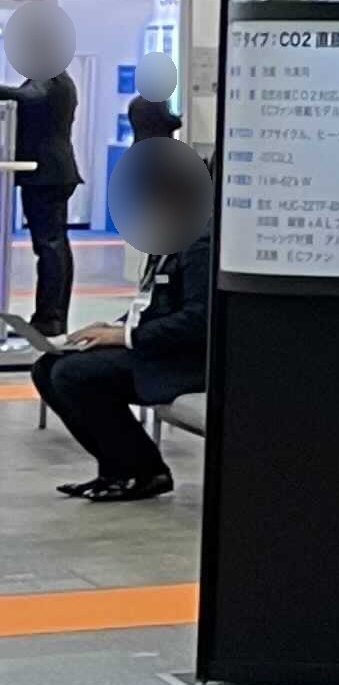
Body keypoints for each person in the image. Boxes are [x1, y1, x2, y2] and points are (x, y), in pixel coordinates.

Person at [36, 131, 210, 507]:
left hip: (184, 360)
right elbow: (154, 303)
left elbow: (198, 321)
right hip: (157, 346)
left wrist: (126, 337)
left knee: (74, 374)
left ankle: (143, 470)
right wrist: (112, 328)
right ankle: (118, 467)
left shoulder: (200, 244)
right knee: (48, 366)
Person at [4, 17, 77, 341]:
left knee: (50, 246)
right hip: (50, 172)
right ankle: (51, 316)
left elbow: (31, 97)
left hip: (47, 173)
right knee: (53, 245)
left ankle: (50, 318)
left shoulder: (49, 75)